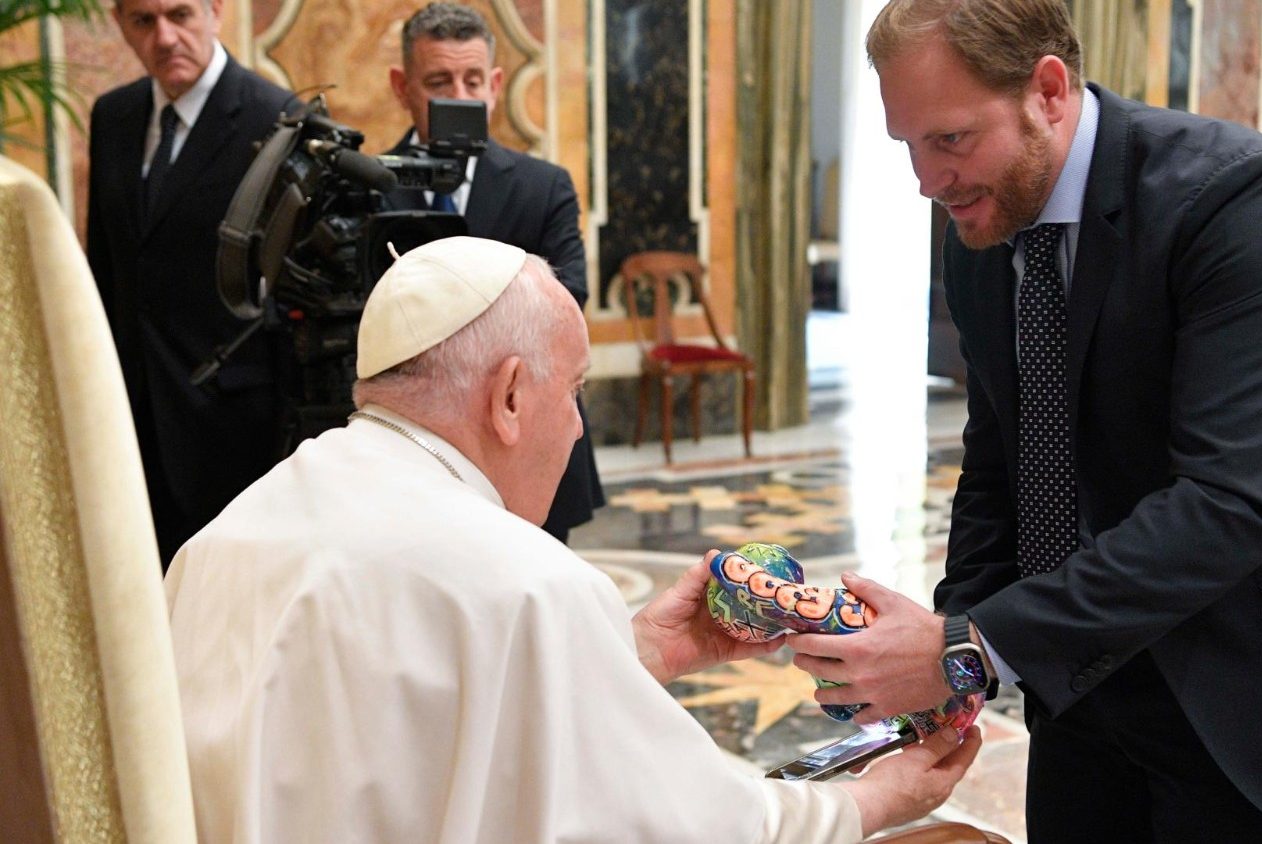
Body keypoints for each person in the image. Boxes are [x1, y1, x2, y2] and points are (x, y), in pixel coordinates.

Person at [785, 1, 1262, 841]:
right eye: (909, 145)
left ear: (1047, 91)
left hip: (1246, 672)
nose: (928, 181)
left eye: (951, 139)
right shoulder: (985, 229)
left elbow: (1226, 505)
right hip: (1080, 670)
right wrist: (955, 651)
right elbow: (1001, 464)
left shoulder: (1236, 197)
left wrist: (967, 646)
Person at [164, 236, 981, 842]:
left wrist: (633, 651)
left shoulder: (226, 535)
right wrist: (872, 800)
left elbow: (410, 727)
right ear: (510, 397)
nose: (580, 427)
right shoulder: (528, 581)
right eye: (576, 389)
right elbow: (680, 826)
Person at [86, 0, 299, 567]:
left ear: (215, 11)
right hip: (132, 423)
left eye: (179, 15)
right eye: (144, 21)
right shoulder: (113, 116)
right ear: (121, 26)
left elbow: (289, 293)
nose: (164, 37)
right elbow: (108, 269)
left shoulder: (274, 118)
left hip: (233, 428)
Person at [383, 1, 602, 543]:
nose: (460, 97)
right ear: (402, 87)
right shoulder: (368, 185)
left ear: (496, 85)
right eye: (439, 81)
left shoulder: (542, 185)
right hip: (404, 457)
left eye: (473, 80)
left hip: (529, 443)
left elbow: (569, 298)